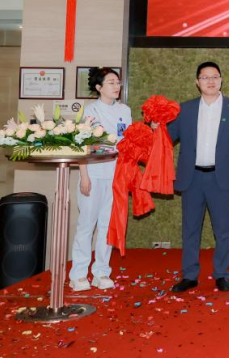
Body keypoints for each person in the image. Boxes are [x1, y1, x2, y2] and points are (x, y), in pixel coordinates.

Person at [168, 61, 229, 293]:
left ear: (221, 80)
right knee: (190, 229)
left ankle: (221, 274)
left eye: (215, 77)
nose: (210, 81)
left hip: (221, 178)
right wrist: (155, 125)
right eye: (205, 77)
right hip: (192, 178)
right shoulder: (185, 109)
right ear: (197, 82)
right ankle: (189, 275)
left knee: (222, 230)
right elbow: (167, 138)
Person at [69, 68, 131, 290]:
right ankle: (78, 274)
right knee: (87, 225)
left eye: (118, 82)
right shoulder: (89, 111)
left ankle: (101, 272)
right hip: (93, 174)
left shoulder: (125, 110)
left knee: (107, 226)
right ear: (99, 87)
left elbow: (128, 142)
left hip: (116, 175)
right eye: (111, 82)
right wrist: (84, 175)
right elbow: (81, 145)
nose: (117, 86)